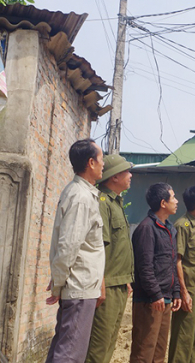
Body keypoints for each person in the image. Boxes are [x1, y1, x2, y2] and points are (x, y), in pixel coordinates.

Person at [45, 138, 105, 363]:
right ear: (91, 162)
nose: (103, 164)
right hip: (78, 286)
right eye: (101, 159)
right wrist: (59, 284)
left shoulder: (81, 192)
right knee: (69, 355)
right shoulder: (81, 197)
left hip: (79, 285)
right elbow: (68, 246)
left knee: (63, 350)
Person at [85, 154, 134, 363]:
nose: (130, 175)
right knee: (98, 347)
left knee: (110, 344)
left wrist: (126, 279)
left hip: (119, 283)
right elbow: (99, 247)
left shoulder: (116, 203)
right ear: (114, 177)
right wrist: (101, 283)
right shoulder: (103, 202)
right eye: (126, 171)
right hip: (107, 286)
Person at [130, 183, 182, 363]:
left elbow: (172, 263)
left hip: (165, 299)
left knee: (159, 353)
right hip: (149, 301)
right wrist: (155, 294)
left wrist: (176, 292)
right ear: (163, 203)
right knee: (144, 352)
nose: (176, 201)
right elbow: (144, 267)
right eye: (173, 197)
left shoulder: (170, 229)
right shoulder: (147, 228)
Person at [168, 185, 195, 363]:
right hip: (189, 292)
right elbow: (178, 261)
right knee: (182, 341)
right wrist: (183, 292)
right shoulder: (183, 225)